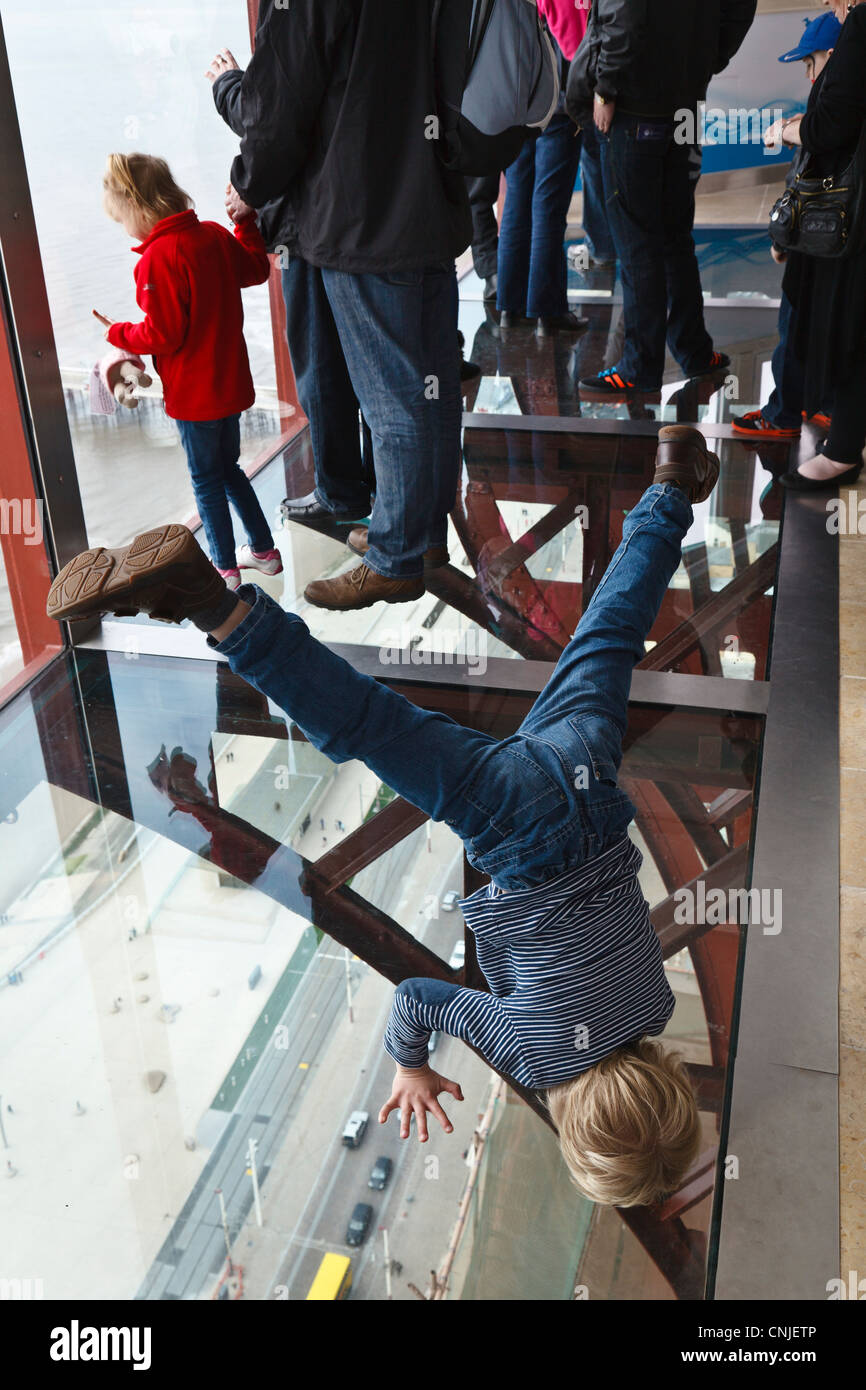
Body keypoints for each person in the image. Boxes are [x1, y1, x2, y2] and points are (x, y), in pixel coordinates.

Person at [46, 423, 720, 1207]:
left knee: (609, 634)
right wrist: (411, 1065)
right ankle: (207, 603)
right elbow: (417, 999)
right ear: (573, 1126)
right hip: (507, 822)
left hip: (586, 782)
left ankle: (671, 487)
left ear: (666, 1081)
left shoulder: (654, 1004)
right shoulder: (538, 1059)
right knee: (363, 724)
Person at [221, 2, 473, 610]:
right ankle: (424, 538)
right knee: (431, 394)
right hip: (432, 205)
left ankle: (395, 559)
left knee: (395, 405)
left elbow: (277, 112)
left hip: (364, 223)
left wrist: (246, 184)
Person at [206, 49, 376, 529]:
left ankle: (342, 494)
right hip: (355, 220)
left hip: (309, 229)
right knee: (365, 365)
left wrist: (228, 86)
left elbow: (271, 124)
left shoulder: (300, 21)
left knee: (319, 364)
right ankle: (378, 487)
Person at [97, 153, 282, 591]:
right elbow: (257, 269)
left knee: (205, 480)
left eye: (122, 220)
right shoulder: (215, 236)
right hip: (231, 387)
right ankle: (263, 551)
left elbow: (162, 335)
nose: (126, 230)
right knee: (228, 469)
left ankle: (224, 570)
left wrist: (119, 333)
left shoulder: (155, 260)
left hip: (195, 399)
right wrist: (246, 224)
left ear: (140, 208)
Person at [567, 1, 757, 394]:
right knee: (675, 236)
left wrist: (606, 88)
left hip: (635, 108)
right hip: (684, 103)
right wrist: (706, 56)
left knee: (638, 244)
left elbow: (626, 15)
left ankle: (639, 365)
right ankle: (695, 353)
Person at [765, 0, 866, 489]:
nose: (832, 3)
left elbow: (830, 124)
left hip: (853, 219)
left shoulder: (862, 23)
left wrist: (786, 131)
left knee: (850, 327)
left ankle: (843, 449)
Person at [732, 12, 841, 441]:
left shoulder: (827, 107)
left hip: (814, 234)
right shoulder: (838, 105)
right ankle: (828, 404)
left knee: (793, 323)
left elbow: (802, 182)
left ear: (832, 56)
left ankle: (781, 415)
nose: (808, 73)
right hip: (837, 235)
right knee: (829, 320)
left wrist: (783, 237)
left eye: (810, 62)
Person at [498, 4, 589, 337]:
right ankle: (546, 311)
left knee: (517, 200)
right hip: (557, 105)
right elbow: (572, 42)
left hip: (514, 100)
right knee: (548, 207)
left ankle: (509, 307)